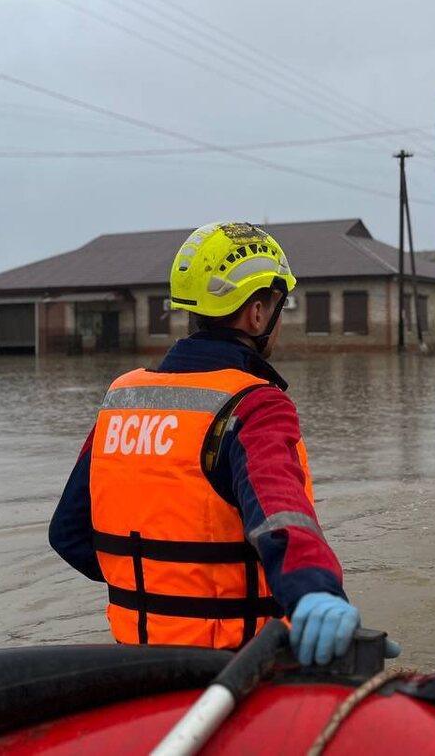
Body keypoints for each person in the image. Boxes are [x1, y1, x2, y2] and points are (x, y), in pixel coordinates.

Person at [50, 222, 384, 667]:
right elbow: (281, 516)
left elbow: (68, 534)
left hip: (134, 668)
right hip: (237, 670)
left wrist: (163, 585)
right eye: (280, 307)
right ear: (258, 314)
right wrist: (316, 595)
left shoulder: (123, 397)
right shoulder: (255, 404)